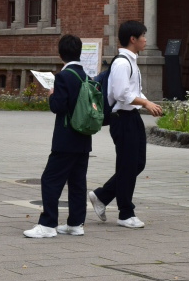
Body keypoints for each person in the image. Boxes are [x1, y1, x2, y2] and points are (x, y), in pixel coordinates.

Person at [88, 20, 162, 229]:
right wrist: (145, 102)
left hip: (132, 117)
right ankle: (125, 213)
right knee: (128, 165)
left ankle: (102, 196)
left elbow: (133, 92)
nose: (146, 40)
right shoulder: (122, 63)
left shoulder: (131, 61)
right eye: (143, 36)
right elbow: (122, 94)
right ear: (133, 39)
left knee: (136, 164)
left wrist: (148, 103)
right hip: (122, 119)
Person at [24, 34, 92, 238]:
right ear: (79, 52)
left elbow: (58, 107)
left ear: (60, 53)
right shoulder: (85, 75)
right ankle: (76, 223)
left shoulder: (63, 77)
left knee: (50, 179)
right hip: (83, 137)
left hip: (66, 138)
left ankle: (47, 224)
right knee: (78, 181)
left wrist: (52, 94)